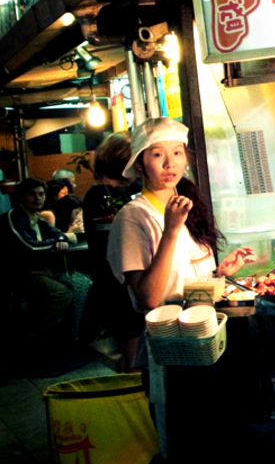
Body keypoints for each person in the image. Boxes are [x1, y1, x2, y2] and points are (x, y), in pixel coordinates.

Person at [107, 118, 255, 313]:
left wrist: (218, 276)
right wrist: (170, 230)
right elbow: (149, 299)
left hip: (205, 329)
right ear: (140, 163)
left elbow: (185, 290)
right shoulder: (132, 217)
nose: (170, 164)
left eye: (177, 153)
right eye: (158, 154)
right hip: (168, 337)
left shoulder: (187, 205)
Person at [80, 133, 144, 365]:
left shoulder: (113, 192)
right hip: (115, 278)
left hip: (115, 275)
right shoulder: (104, 195)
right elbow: (120, 235)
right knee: (130, 333)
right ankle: (132, 378)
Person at [1, 177, 74, 342]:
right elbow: (30, 247)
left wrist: (62, 238)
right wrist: (58, 241)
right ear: (20, 197)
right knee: (62, 293)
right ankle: (30, 336)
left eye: (41, 194)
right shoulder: (14, 216)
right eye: (31, 194)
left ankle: (69, 336)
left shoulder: (37, 217)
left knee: (80, 283)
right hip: (19, 273)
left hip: (39, 270)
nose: (38, 198)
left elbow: (59, 234)